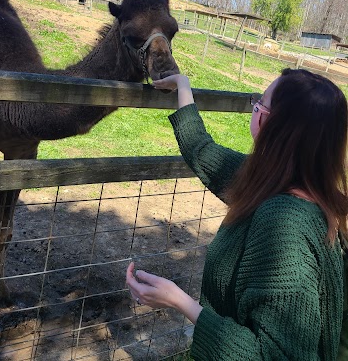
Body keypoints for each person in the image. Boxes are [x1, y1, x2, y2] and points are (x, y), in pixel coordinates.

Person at [126, 68, 348, 360]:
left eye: (261, 102)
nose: (256, 107)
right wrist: (182, 84)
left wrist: (180, 302)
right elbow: (202, 150)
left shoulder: (284, 225)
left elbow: (271, 355)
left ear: (270, 121)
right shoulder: (282, 182)